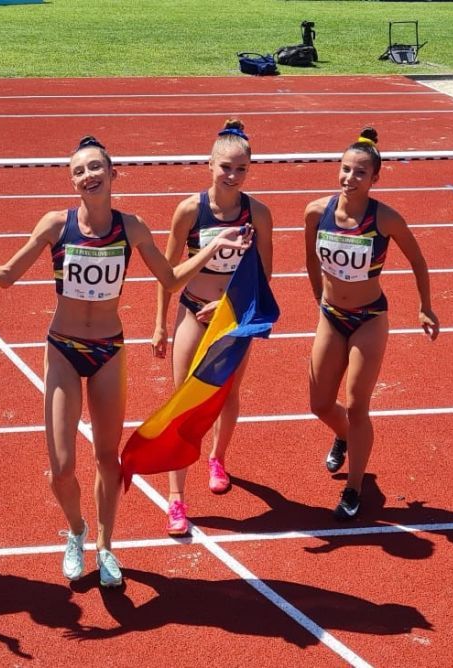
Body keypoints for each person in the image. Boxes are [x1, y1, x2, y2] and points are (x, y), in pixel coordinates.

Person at [0, 136, 251, 587]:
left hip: (108, 352)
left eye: (95, 168)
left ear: (112, 173)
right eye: (79, 171)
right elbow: (7, 276)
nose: (88, 176)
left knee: (108, 458)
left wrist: (213, 245)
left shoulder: (133, 227)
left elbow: (172, 276)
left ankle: (106, 546)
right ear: (73, 181)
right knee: (62, 465)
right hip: (64, 347)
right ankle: (77, 531)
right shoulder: (55, 225)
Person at [303, 127, 439, 521]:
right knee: (319, 403)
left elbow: (418, 260)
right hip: (331, 315)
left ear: (375, 179)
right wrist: (319, 297)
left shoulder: (387, 219)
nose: (350, 178)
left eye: (360, 173)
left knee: (358, 403)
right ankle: (343, 436)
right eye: (345, 170)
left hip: (369, 318)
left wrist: (425, 307)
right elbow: (311, 260)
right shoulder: (316, 211)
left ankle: (354, 486)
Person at [150, 119, 274, 537]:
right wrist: (159, 326)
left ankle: (218, 457)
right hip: (191, 311)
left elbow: (263, 274)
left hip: (232, 318)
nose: (233, 175)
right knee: (183, 399)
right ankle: (176, 498)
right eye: (225, 167)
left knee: (228, 393)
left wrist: (229, 306)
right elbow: (168, 273)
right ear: (209, 165)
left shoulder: (258, 213)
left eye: (241, 169)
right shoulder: (190, 210)